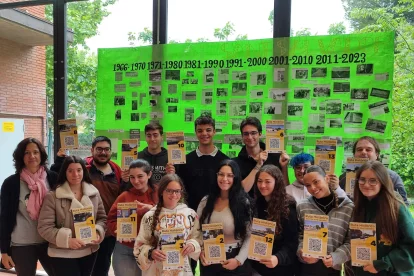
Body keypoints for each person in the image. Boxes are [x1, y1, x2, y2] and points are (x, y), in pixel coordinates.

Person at [51, 136, 129, 276]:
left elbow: (122, 198)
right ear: (92, 150)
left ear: (111, 151)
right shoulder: (82, 168)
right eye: (99, 149)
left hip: (105, 231)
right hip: (80, 232)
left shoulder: (117, 171)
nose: (103, 152)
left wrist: (126, 182)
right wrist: (59, 161)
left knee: (102, 269)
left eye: (106, 149)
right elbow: (59, 177)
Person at [37, 156, 106, 276]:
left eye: (79, 170)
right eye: (70, 170)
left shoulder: (94, 193)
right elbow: (44, 227)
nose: (75, 174)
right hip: (62, 253)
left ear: (84, 171)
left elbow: (102, 219)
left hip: (89, 251)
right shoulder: (53, 196)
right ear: (65, 172)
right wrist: (67, 240)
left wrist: (98, 232)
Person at [0, 137, 56, 276]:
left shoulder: (53, 178)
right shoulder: (11, 183)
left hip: (49, 241)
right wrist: (4, 251)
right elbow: (4, 218)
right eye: (27, 153)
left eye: (36, 152)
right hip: (22, 244)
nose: (32, 156)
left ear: (41, 155)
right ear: (21, 156)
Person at [351, 161, 414, 275]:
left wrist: (384, 263)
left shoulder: (396, 209)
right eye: (362, 179)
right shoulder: (358, 209)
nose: (366, 184)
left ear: (382, 182)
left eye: (373, 180)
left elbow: (411, 245)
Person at [133, 174, 201, 276]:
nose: (174, 195)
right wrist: (151, 253)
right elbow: (139, 245)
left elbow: (198, 237)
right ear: (161, 192)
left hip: (181, 270)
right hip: (156, 270)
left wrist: (192, 245)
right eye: (169, 191)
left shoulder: (190, 215)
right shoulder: (149, 216)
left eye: (177, 191)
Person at [197, 159, 254, 275]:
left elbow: (250, 236)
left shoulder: (244, 203)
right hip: (210, 261)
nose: (224, 179)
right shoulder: (206, 201)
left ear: (236, 178)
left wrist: (239, 260)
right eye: (221, 174)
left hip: (234, 260)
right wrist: (201, 250)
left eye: (230, 175)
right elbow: (197, 230)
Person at [297, 165, 354, 276]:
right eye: (308, 185)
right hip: (307, 268)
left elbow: (352, 241)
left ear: (327, 179)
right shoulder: (302, 206)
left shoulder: (348, 207)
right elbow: (299, 234)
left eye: (316, 182)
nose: (313, 188)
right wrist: (301, 251)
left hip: (333, 270)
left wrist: (336, 257)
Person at [107, 159, 159, 276]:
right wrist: (118, 230)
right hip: (126, 249)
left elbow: (171, 216)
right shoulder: (124, 196)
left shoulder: (159, 193)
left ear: (149, 174)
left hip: (152, 249)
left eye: (140, 176)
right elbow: (110, 220)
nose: (136, 181)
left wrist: (151, 209)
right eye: (132, 177)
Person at [251, 165, 298, 276]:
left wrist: (278, 258)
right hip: (257, 268)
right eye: (260, 181)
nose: (262, 185)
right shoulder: (256, 204)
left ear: (277, 182)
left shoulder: (288, 207)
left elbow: (292, 242)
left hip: (280, 268)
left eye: (267, 182)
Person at [338, 136, 408, 205]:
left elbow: (404, 205)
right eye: (359, 149)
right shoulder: (343, 178)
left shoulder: (392, 177)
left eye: (368, 150)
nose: (363, 152)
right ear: (354, 154)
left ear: (377, 154)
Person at [232, 117, 290, 197]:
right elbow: (241, 191)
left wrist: (284, 167)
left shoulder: (275, 156)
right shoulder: (236, 162)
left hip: (272, 206)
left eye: (253, 133)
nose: (249, 137)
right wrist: (258, 164)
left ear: (260, 134)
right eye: (246, 134)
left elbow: (285, 189)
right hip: (247, 207)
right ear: (242, 136)